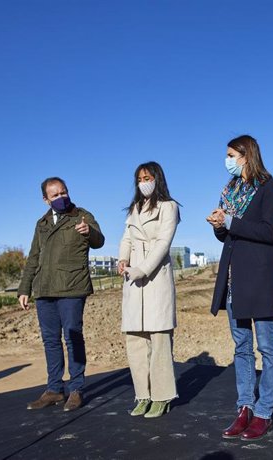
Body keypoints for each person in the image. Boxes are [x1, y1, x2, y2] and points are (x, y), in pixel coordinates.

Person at [207, 135, 273, 441]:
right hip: (233, 281)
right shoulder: (232, 190)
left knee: (267, 348)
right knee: (241, 348)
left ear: (246, 155)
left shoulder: (269, 187)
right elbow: (229, 237)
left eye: (230, 155)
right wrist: (219, 227)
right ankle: (244, 408)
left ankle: (264, 412)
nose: (226, 161)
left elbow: (268, 231)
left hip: (259, 281)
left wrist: (232, 222)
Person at [18, 176, 105, 412]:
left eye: (63, 192)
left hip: (72, 286)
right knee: (50, 340)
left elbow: (100, 241)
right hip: (44, 289)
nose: (61, 197)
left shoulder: (82, 215)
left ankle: (76, 389)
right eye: (55, 195)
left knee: (72, 337)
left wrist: (89, 232)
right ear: (46, 200)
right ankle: (54, 390)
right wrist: (24, 288)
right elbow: (33, 256)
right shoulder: (42, 223)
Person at [118, 161, 180, 418]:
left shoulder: (169, 207)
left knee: (159, 339)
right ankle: (142, 395)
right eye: (140, 178)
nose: (144, 182)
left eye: (148, 177)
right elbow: (127, 238)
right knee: (136, 342)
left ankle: (162, 396)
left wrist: (141, 269)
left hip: (154, 277)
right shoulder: (134, 208)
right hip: (132, 280)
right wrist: (122, 259)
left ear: (157, 178)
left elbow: (163, 243)